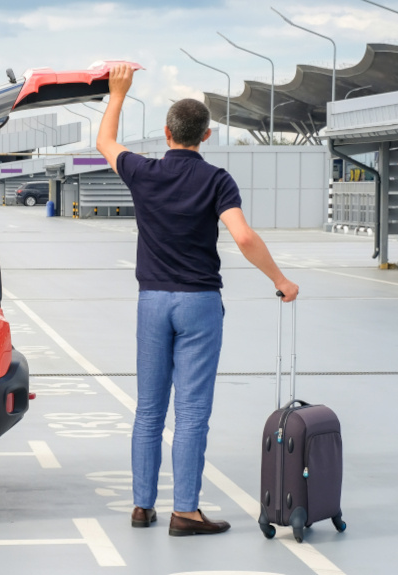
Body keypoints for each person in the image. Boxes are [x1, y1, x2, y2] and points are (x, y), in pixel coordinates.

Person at [95, 64, 299, 537]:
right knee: (191, 413)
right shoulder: (217, 180)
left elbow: (105, 142)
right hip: (199, 304)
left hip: (151, 302)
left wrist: (118, 93)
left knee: (149, 410)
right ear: (206, 135)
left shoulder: (143, 172)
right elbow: (243, 237)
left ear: (166, 133)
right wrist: (280, 280)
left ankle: (142, 506)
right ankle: (185, 511)